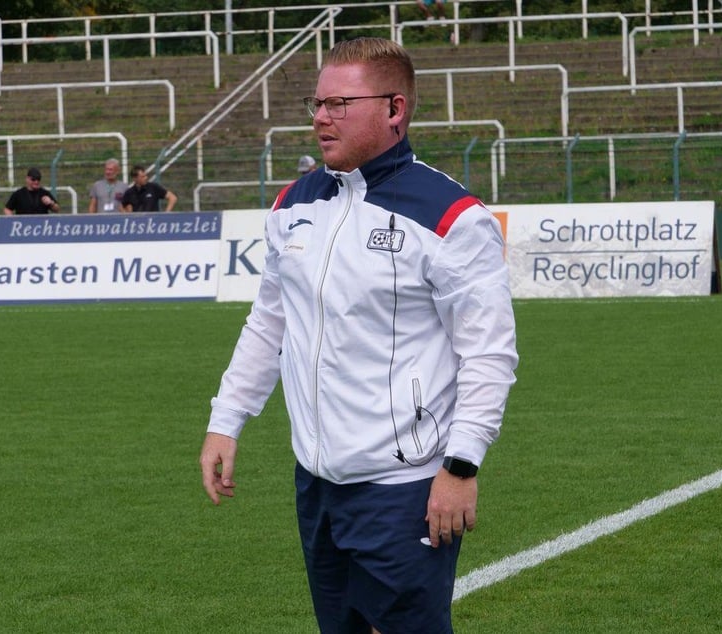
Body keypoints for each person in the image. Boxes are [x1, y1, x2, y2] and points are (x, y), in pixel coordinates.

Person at [200, 37, 517, 634]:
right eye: (316, 103)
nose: (321, 117)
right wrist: (226, 419)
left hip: (404, 488)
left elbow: (488, 355)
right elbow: (270, 322)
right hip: (316, 483)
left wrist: (462, 467)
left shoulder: (450, 216)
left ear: (395, 109)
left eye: (340, 103)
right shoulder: (293, 204)